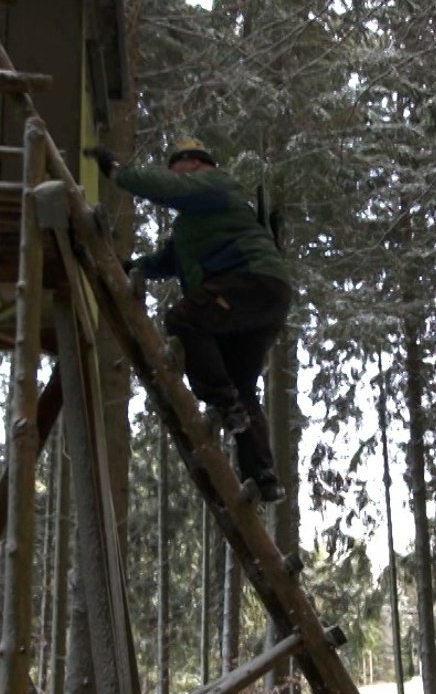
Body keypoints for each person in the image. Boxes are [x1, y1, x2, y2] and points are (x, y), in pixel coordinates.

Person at [93, 138, 290, 503]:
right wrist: (134, 267)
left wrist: (117, 173)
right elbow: (170, 260)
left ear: (196, 164)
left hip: (251, 281)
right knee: (241, 383)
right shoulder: (195, 224)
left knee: (184, 319)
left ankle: (223, 402)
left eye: (176, 168)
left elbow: (171, 189)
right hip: (258, 299)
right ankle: (262, 475)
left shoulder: (216, 185)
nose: (173, 175)